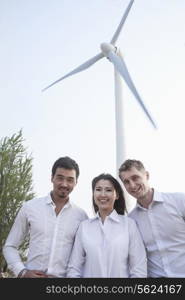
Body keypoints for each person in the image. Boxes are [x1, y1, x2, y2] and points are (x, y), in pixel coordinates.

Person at [3, 156, 88, 278]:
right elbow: (10, 246)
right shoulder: (30, 207)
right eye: (60, 178)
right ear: (52, 178)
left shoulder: (81, 216)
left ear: (76, 182)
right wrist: (22, 272)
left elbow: (82, 257)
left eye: (70, 180)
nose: (64, 184)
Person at [67, 173, 147, 278]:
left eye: (108, 190)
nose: (103, 194)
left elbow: (139, 269)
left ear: (117, 195)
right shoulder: (84, 227)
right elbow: (74, 269)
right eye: (98, 189)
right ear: (93, 194)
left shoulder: (129, 225)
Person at [119, 159, 185, 278]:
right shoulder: (131, 221)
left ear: (147, 175)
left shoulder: (179, 201)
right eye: (126, 182)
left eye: (135, 178)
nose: (132, 185)